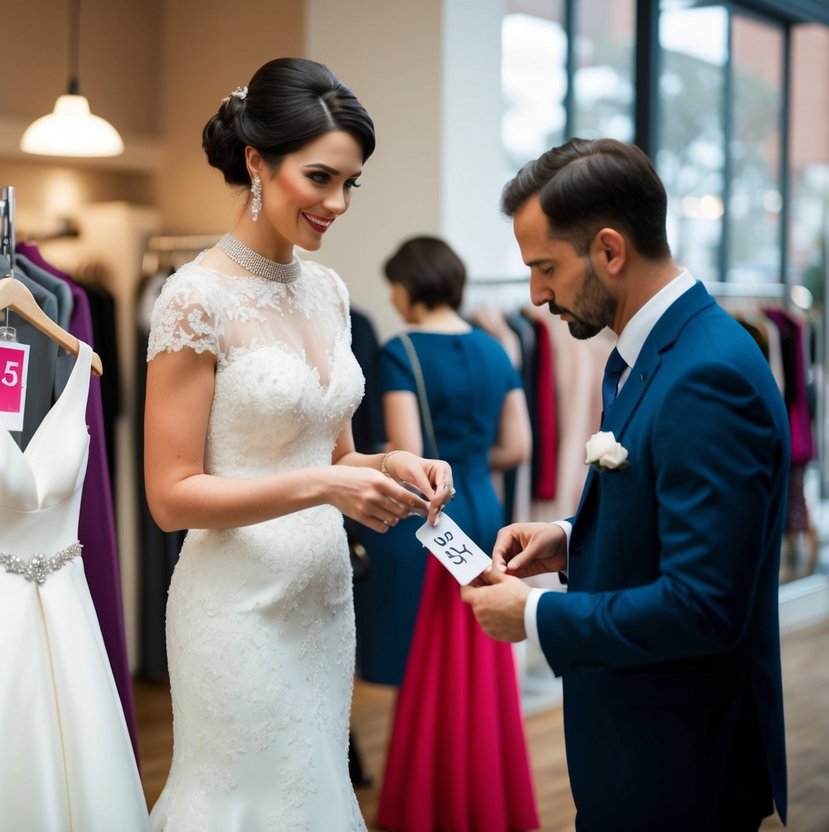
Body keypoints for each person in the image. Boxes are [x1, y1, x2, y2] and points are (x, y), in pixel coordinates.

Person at [143, 57, 454, 829]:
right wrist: (323, 487)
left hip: (321, 600)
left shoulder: (329, 292)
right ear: (256, 161)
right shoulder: (194, 297)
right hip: (234, 610)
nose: (337, 203)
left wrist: (392, 463)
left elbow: (337, 454)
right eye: (320, 178)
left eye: (351, 183)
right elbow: (170, 497)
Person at [462, 137, 789, 831]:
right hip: (638, 746)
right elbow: (672, 519)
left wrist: (532, 616)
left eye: (545, 267)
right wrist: (572, 539)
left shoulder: (706, 376)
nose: (535, 294)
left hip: (678, 767)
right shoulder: (649, 352)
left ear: (609, 250)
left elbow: (703, 605)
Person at [360, 236, 538, 832]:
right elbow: (518, 446)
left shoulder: (399, 351)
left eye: (394, 284)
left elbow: (404, 450)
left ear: (410, 286)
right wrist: (472, 459)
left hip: (433, 519)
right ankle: (488, 796)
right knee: (481, 657)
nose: (391, 296)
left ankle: (434, 801)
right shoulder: (496, 349)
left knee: (434, 659)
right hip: (484, 511)